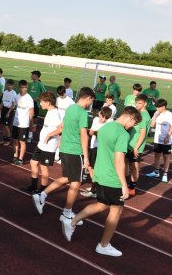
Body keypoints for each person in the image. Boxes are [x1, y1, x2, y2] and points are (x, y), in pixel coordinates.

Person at [60, 106, 141, 258]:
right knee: (116, 210)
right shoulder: (122, 134)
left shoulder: (104, 127)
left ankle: (72, 221)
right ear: (131, 118)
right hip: (112, 178)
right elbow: (119, 160)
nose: (132, 127)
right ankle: (103, 245)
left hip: (100, 174)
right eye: (134, 123)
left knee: (102, 204)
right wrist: (124, 184)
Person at [32, 87, 95, 224]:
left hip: (65, 150)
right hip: (75, 150)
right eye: (92, 101)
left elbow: (62, 127)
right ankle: (67, 213)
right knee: (76, 183)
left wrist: (50, 134)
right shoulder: (83, 113)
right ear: (88, 98)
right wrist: (86, 157)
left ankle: (42, 195)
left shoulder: (71, 109)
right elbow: (84, 135)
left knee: (67, 178)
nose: (91, 104)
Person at [23, 92, 61, 193]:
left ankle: (43, 190)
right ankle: (33, 186)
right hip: (41, 144)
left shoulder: (55, 114)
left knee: (44, 167)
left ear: (48, 102)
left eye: (42, 102)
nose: (40, 104)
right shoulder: (49, 111)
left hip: (49, 146)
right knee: (33, 162)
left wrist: (49, 135)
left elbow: (61, 129)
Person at [80, 106, 113, 198]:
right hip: (93, 146)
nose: (104, 119)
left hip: (100, 149)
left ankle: (94, 190)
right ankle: (95, 188)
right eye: (103, 117)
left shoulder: (110, 123)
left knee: (94, 169)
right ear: (100, 114)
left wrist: (97, 132)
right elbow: (90, 132)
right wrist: (97, 132)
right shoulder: (95, 120)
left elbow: (105, 135)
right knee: (91, 168)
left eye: (106, 118)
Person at [126, 94, 151, 196]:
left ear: (145, 103)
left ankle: (132, 187)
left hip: (135, 146)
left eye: (139, 103)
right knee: (125, 164)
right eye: (136, 102)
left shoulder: (144, 116)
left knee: (134, 166)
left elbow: (143, 134)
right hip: (129, 144)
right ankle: (124, 184)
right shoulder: (139, 113)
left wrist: (136, 148)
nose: (137, 105)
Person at [146, 99, 172, 183]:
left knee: (166, 157)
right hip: (157, 139)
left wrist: (168, 136)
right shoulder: (157, 113)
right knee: (157, 155)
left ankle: (165, 174)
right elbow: (152, 125)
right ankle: (156, 172)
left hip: (166, 140)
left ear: (163, 106)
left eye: (158, 107)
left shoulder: (169, 114)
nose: (156, 108)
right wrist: (155, 116)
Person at [11, 80, 34, 165]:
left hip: (24, 124)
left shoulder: (29, 98)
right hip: (16, 123)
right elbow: (15, 107)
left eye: (26, 87)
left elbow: (31, 112)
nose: (24, 89)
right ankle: (15, 156)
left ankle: (20, 159)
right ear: (19, 87)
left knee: (22, 141)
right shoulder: (17, 97)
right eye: (23, 87)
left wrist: (31, 124)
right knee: (15, 140)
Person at [28, 70, 46, 142]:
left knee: (32, 119)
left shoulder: (40, 84)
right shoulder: (31, 83)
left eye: (32, 74)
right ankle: (30, 133)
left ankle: (30, 136)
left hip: (35, 104)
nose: (31, 76)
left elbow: (45, 93)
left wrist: (38, 99)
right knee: (30, 119)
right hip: (30, 103)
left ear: (36, 76)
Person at [0, 79, 17, 146]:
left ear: (12, 86)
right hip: (4, 109)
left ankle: (8, 140)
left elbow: (13, 104)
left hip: (9, 110)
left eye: (11, 85)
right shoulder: (5, 92)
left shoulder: (14, 93)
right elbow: (2, 102)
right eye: (8, 85)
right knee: (3, 126)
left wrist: (8, 113)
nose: (9, 86)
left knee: (6, 126)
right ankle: (4, 140)